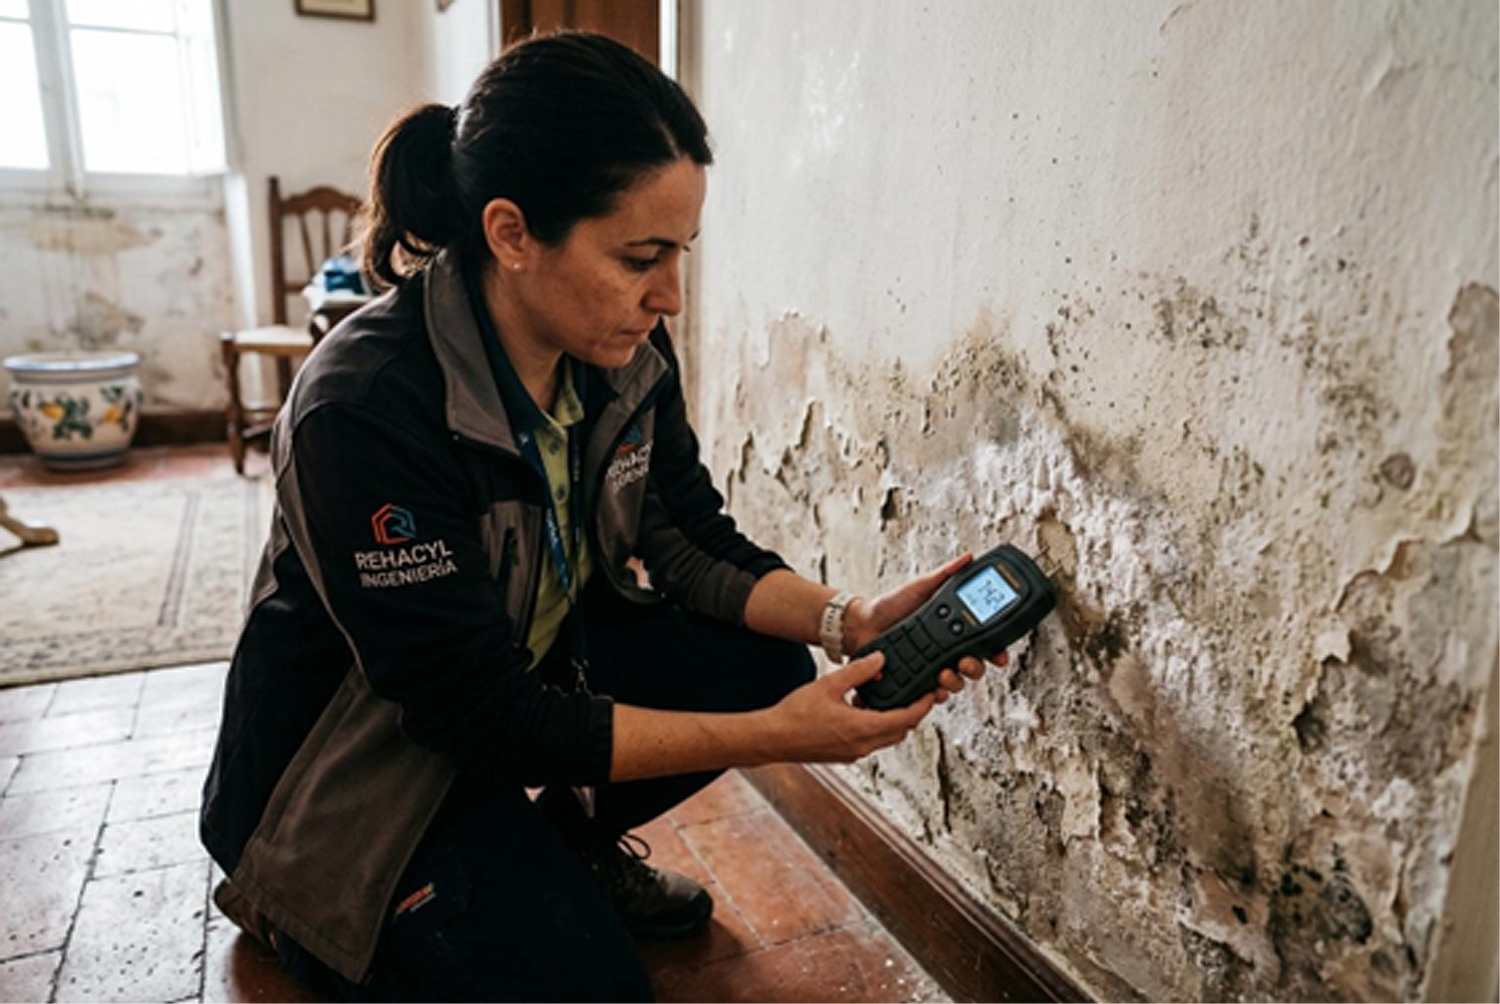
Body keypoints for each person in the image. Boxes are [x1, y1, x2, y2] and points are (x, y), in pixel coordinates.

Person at [200, 30, 1003, 1003]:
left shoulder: (620, 357)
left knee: (761, 659)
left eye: (679, 254)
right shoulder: (368, 404)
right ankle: (307, 900)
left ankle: (549, 852)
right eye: (639, 256)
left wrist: (852, 620)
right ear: (510, 233)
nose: (667, 295)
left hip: (506, 715)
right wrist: (772, 736)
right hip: (351, 782)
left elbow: (691, 539)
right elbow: (472, 710)